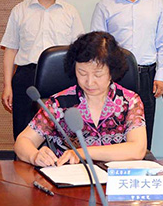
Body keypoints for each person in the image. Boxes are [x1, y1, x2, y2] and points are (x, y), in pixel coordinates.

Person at [14, 31, 147, 166]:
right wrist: (34, 156)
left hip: (113, 176)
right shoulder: (59, 103)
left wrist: (83, 152)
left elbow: (137, 150)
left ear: (112, 72)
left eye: (98, 75)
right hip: (68, 175)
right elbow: (23, 141)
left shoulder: (129, 101)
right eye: (82, 73)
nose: (89, 82)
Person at [90, 0, 163, 150]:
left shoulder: (155, 4)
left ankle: (143, 162)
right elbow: (97, 47)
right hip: (116, 76)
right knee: (114, 127)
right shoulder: (105, 6)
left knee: (144, 128)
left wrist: (161, 76)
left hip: (147, 76)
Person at [1, 0, 84, 140]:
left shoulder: (70, 12)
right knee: (24, 131)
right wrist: (7, 86)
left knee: (60, 133)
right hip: (27, 77)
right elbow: (10, 50)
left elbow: (80, 52)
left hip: (61, 77)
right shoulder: (20, 10)